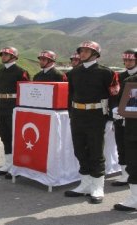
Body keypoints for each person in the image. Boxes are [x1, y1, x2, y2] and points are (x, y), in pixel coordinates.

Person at [65, 41, 119, 204]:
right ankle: (85, 184)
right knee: (79, 149)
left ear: (95, 53)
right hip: (78, 115)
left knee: (96, 151)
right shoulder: (74, 73)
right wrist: (71, 114)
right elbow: (70, 95)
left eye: (87, 51)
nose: (82, 53)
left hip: (96, 115)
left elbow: (114, 95)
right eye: (81, 50)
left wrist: (110, 118)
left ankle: (97, 187)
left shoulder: (106, 73)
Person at [0, 46, 30, 179]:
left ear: (13, 57)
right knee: (4, 135)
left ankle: (17, 165)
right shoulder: (0, 71)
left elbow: (26, 91)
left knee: (15, 136)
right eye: (2, 55)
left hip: (14, 106)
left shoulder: (21, 71)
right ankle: (8, 164)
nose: (3, 57)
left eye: (6, 55)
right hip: (2, 106)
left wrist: (23, 108)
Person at [111, 49, 137, 186]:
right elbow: (114, 94)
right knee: (121, 143)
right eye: (125, 60)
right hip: (120, 117)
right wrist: (114, 108)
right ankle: (125, 174)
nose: (127, 63)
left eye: (130, 60)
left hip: (134, 118)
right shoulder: (119, 77)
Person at [114, 73, 137, 211]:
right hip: (133, 130)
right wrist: (118, 109)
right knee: (133, 165)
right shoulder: (130, 81)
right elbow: (120, 101)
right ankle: (135, 199)